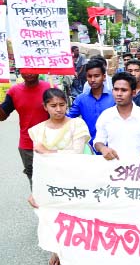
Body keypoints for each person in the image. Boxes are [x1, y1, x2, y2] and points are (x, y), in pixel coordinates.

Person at [27, 88, 90, 265]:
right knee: (55, 220)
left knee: (78, 220)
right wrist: (36, 191)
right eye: (53, 105)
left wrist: (48, 151)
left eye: (62, 104)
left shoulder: (77, 125)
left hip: (77, 181)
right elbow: (39, 164)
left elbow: (76, 153)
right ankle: (58, 252)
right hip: (53, 184)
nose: (58, 109)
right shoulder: (37, 131)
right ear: (45, 107)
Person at [94, 72, 140, 160]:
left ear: (133, 93)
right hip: (115, 167)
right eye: (116, 89)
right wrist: (103, 149)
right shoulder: (106, 116)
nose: (119, 94)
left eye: (124, 90)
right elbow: (98, 140)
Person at [0, 73, 52, 189]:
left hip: (52, 144)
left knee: (53, 180)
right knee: (35, 183)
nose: (28, 72)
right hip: (28, 147)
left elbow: (62, 112)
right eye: (25, 69)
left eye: (31, 69)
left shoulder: (49, 87)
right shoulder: (14, 91)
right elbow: (2, 116)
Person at [67, 59, 115, 151]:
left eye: (96, 76)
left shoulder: (114, 98)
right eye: (89, 76)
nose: (92, 80)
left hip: (111, 148)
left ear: (104, 77)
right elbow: (69, 118)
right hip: (88, 148)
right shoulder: (81, 99)